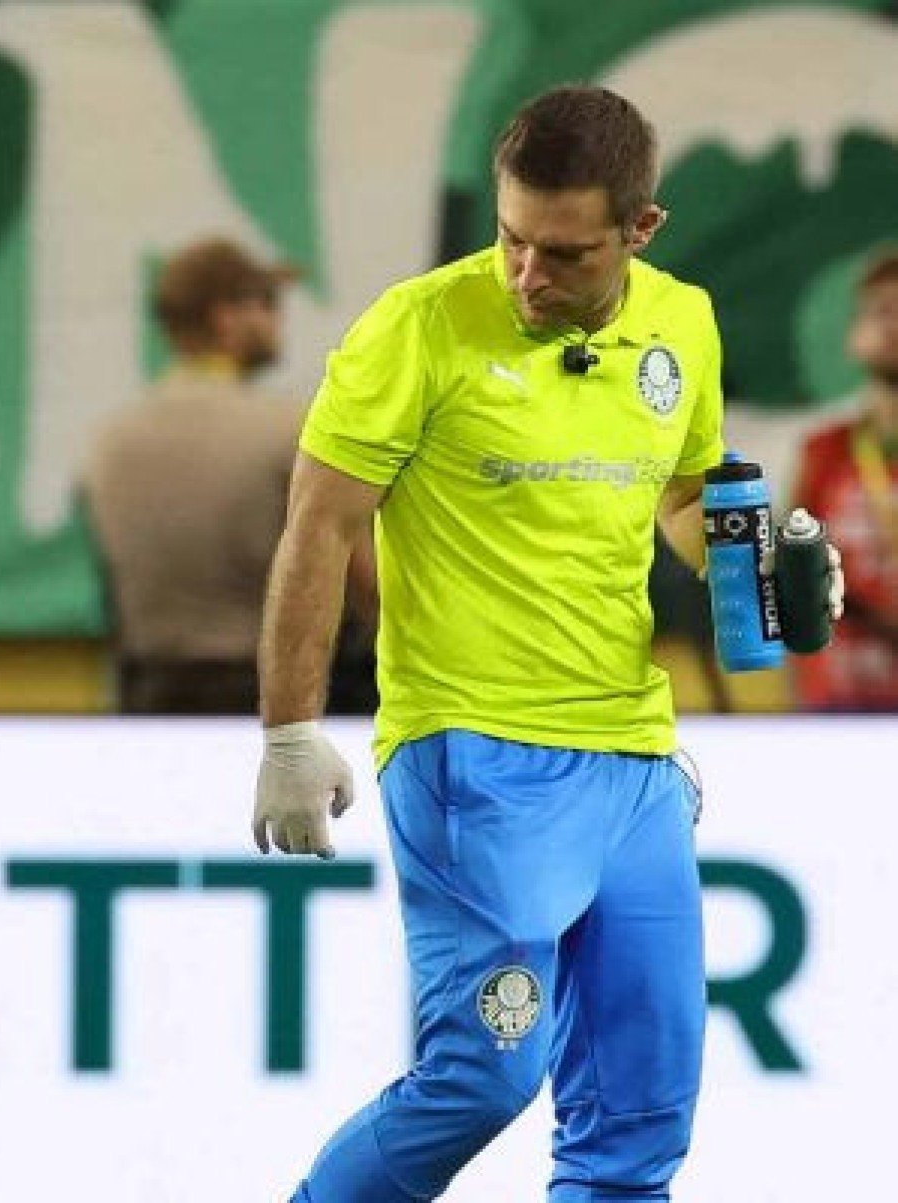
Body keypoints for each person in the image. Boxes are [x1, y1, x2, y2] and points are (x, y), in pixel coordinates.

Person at [249, 84, 838, 1201]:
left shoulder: (684, 323)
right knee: (482, 1076)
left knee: (639, 1119)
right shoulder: (415, 327)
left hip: (632, 764)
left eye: (564, 254)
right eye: (511, 239)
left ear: (642, 228)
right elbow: (319, 525)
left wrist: (759, 569)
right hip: (472, 752)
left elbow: (680, 496)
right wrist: (289, 729)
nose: (527, 274)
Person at [82, 236, 378, 715]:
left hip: (147, 698)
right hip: (263, 698)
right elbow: (364, 582)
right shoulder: (292, 430)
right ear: (225, 318)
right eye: (266, 302)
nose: (278, 318)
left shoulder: (110, 441)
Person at [791, 247, 898, 710]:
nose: (895, 324)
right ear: (855, 335)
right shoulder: (825, 451)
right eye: (881, 310)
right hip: (840, 704)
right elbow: (795, 581)